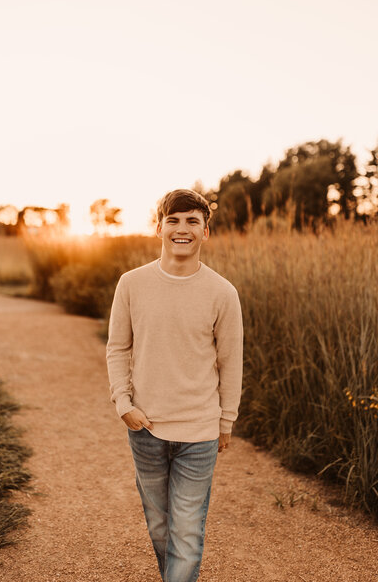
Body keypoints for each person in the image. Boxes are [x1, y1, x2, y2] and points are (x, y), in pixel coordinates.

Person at [106, 188, 243, 582]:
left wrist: (225, 421)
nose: (182, 229)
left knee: (187, 533)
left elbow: (231, 362)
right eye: (174, 220)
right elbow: (117, 348)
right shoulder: (131, 284)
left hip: (199, 433)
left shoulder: (222, 292)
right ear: (159, 227)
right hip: (145, 428)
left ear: (205, 232)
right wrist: (123, 404)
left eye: (192, 221)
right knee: (161, 528)